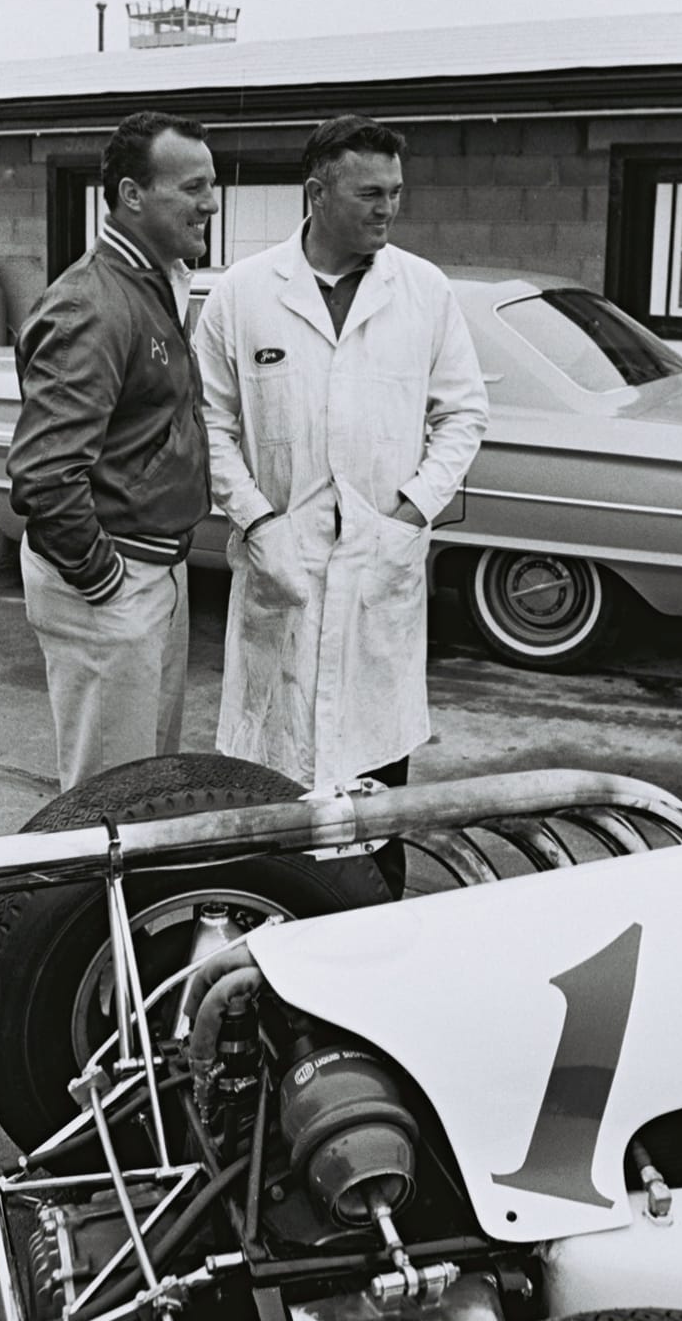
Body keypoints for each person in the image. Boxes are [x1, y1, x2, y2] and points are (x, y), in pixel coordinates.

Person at [195, 113, 489, 812]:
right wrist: (257, 521)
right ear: (317, 192)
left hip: (379, 565)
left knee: (375, 792)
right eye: (370, 193)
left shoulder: (423, 291)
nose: (388, 208)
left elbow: (463, 413)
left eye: (395, 192)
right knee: (271, 786)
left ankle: (373, 883)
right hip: (281, 560)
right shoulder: (244, 292)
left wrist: (410, 511)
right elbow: (208, 421)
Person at [7, 110, 216, 790]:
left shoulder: (155, 281)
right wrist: (105, 583)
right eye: (192, 187)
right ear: (132, 195)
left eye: (210, 185)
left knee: (145, 785)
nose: (210, 203)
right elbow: (46, 475)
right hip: (113, 585)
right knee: (108, 805)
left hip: (156, 572)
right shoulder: (93, 303)